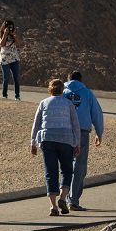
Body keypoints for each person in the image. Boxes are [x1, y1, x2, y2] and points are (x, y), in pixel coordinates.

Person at [31, 80, 81, 216]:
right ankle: (63, 198)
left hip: (47, 139)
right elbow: (75, 124)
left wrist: (33, 143)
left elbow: (36, 123)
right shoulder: (68, 103)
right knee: (67, 171)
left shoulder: (44, 102)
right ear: (62, 91)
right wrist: (77, 143)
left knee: (50, 173)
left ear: (50, 90)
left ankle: (53, 206)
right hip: (65, 139)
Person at [63, 71, 104, 211]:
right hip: (82, 131)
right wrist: (99, 133)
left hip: (64, 131)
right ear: (81, 80)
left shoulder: (61, 92)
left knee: (65, 165)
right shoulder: (87, 93)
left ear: (68, 79)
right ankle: (73, 200)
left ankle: (64, 196)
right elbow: (97, 114)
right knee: (79, 167)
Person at [0, 20, 21, 101]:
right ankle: (4, 95)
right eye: (8, 27)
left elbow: (18, 44)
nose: (10, 28)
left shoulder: (13, 34)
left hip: (14, 58)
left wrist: (13, 35)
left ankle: (17, 95)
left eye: (11, 27)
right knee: (6, 78)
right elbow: (1, 44)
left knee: (16, 78)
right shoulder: (1, 34)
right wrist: (5, 34)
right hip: (5, 59)